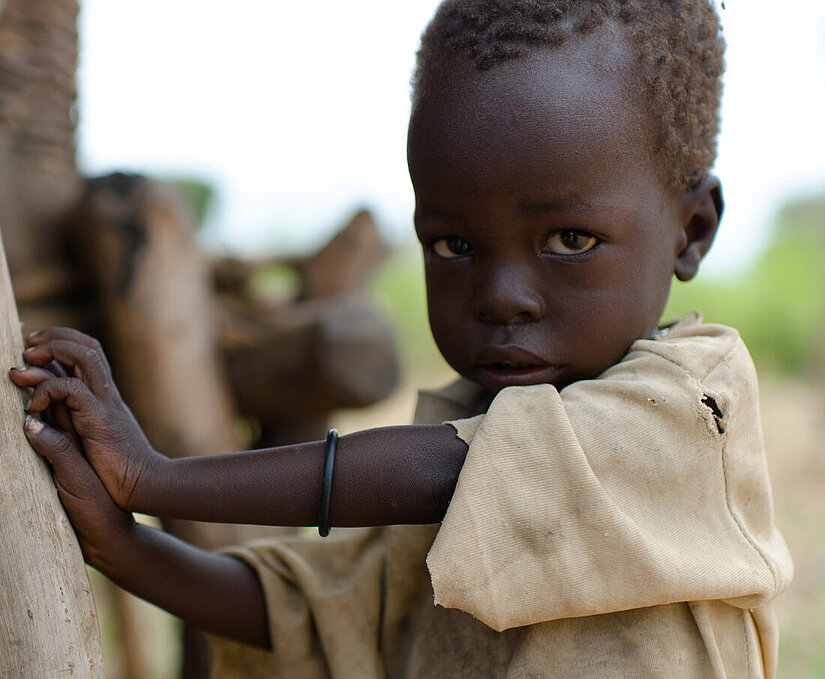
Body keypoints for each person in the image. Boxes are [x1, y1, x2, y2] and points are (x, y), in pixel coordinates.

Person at [10, 1, 793, 677]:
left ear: (691, 231)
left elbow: (444, 472)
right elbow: (304, 612)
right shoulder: (466, 420)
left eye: (569, 239)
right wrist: (121, 543)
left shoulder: (691, 407)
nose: (502, 297)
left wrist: (156, 480)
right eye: (453, 246)